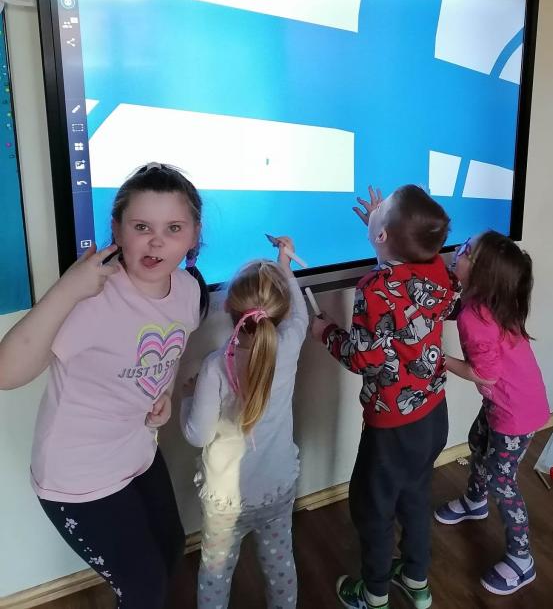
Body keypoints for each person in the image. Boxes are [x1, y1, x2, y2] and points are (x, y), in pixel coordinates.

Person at [0, 163, 208, 609]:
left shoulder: (188, 289)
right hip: (77, 474)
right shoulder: (92, 298)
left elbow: (170, 347)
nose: (156, 241)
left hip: (136, 450)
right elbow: (6, 373)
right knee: (144, 589)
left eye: (173, 228)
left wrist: (165, 393)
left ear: (194, 235)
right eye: (141, 227)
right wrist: (68, 288)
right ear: (117, 230)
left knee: (170, 548)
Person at [310, 185, 461, 609]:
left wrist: (326, 332)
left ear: (381, 236)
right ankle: (416, 580)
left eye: (383, 210)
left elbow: (363, 358)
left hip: (392, 426)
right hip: (433, 414)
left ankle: (374, 593)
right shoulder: (438, 269)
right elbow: (406, 276)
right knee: (415, 495)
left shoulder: (374, 288)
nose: (376, 209)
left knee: (372, 510)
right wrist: (386, 230)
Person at [180, 236, 308, 609]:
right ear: (281, 311)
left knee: (215, 574)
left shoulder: (214, 367)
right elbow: (299, 314)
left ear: (229, 309)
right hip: (277, 488)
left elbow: (197, 435)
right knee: (280, 564)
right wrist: (284, 264)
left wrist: (188, 396)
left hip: (226, 501)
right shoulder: (290, 344)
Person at [435, 231, 549, 596]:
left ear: (481, 275)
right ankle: (475, 501)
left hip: (515, 413)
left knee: (503, 480)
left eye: (466, 251)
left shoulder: (476, 317)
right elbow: (454, 307)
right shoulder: (489, 299)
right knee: (477, 441)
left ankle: (521, 559)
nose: (457, 250)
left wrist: (440, 359)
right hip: (506, 402)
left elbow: (485, 374)